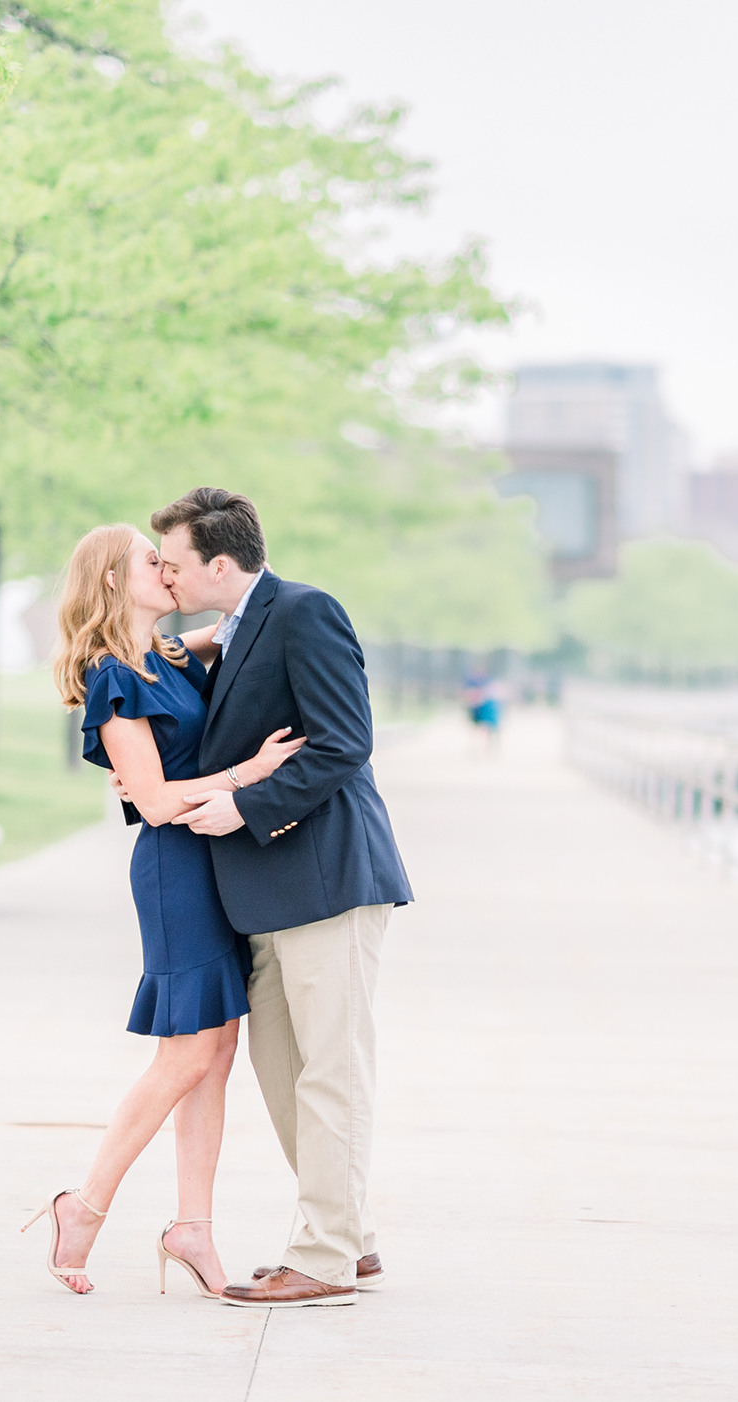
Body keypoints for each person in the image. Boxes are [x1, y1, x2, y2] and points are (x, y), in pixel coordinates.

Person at [24, 524, 305, 1299]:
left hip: (219, 863)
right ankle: (82, 1207)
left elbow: (253, 603)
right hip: (176, 871)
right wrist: (250, 772)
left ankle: (193, 1228)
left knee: (215, 1057)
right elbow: (149, 801)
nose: (169, 568)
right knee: (184, 1056)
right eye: (154, 560)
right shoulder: (113, 677)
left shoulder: (177, 655)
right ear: (114, 580)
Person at [153, 487, 414, 1309]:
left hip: (327, 876)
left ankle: (326, 1255)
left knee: (330, 1073)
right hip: (262, 893)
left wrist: (246, 805)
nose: (163, 574)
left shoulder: (306, 612)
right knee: (283, 1073)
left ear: (219, 564)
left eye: (174, 562)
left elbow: (345, 741)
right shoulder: (225, 632)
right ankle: (353, 1238)